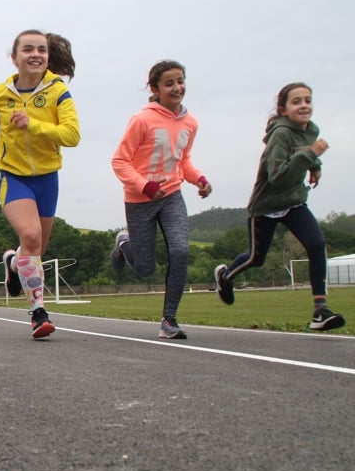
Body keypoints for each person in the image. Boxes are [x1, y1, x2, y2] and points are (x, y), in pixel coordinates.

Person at [0, 30, 80, 339]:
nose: (35, 54)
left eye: (41, 50)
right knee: (30, 235)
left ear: (47, 56)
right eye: (27, 49)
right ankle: (38, 313)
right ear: (14, 57)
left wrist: (35, 125)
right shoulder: (0, 93)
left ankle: (14, 263)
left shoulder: (58, 93)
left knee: (36, 249)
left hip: (47, 179)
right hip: (13, 177)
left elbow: (72, 135)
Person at [214, 83, 345, 331]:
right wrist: (310, 157)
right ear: (283, 109)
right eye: (297, 101)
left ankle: (320, 310)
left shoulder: (311, 130)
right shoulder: (280, 135)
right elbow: (277, 176)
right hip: (266, 205)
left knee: (316, 245)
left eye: (308, 100)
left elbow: (307, 155)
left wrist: (315, 166)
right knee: (256, 258)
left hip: (294, 201)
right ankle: (225, 276)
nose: (304, 105)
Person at [110, 60, 212, 340]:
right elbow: (119, 161)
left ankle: (169, 320)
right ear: (155, 88)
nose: (177, 87)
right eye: (170, 83)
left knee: (180, 252)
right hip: (140, 200)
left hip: (171, 196)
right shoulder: (142, 120)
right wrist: (144, 185)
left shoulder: (190, 122)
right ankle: (124, 242)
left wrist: (199, 179)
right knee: (145, 269)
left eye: (181, 81)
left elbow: (184, 159)